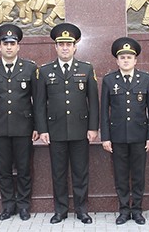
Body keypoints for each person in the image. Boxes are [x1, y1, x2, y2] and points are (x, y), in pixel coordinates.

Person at [35, 23, 99, 224]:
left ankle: (81, 210)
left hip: (81, 131)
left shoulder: (86, 69)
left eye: (68, 44)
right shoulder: (45, 71)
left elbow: (93, 102)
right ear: (55, 47)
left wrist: (93, 127)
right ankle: (60, 210)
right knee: (58, 173)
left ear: (75, 47)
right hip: (56, 131)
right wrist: (43, 129)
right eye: (61, 44)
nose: (65, 47)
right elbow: (38, 104)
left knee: (81, 173)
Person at [0, 24, 39, 221]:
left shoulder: (30, 68)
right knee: (4, 170)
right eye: (5, 44)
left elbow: (37, 101)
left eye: (12, 43)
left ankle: (23, 205)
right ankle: (8, 205)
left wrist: (37, 127)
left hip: (23, 128)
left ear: (18, 46)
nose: (9, 47)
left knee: (23, 169)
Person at [100, 37, 149, 225]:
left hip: (140, 137)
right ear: (117, 61)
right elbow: (104, 112)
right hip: (117, 137)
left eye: (129, 57)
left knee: (139, 175)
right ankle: (124, 210)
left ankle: (137, 210)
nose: (125, 60)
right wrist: (105, 138)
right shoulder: (109, 80)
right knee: (121, 175)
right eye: (122, 57)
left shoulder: (146, 79)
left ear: (135, 60)